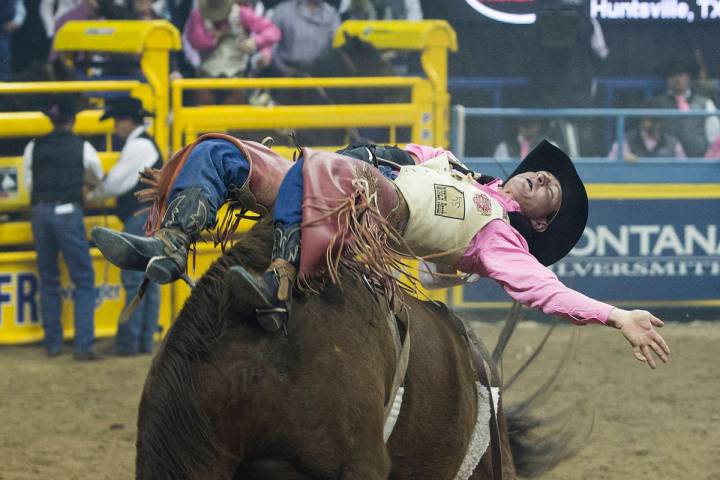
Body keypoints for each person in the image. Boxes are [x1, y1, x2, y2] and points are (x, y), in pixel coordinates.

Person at [91, 136, 670, 370]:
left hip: (373, 211)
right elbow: (396, 152)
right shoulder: (453, 164)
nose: (539, 180)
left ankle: (280, 279)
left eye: (549, 191)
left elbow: (545, 290)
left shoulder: (502, 239)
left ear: (541, 222)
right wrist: (367, 153)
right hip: (332, 179)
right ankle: (170, 243)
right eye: (541, 174)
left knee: (325, 169)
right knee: (221, 151)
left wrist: (616, 315)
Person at [22, 97, 103, 361]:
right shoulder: (82, 146)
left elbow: (29, 182)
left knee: (48, 278)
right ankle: (82, 346)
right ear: (73, 120)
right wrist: (86, 190)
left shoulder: (34, 146)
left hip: (40, 211)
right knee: (83, 279)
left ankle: (52, 343)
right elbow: (96, 174)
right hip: (68, 211)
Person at [86, 97, 163, 356]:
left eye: (118, 121)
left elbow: (115, 184)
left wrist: (93, 194)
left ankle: (128, 343)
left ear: (127, 121)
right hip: (151, 216)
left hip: (139, 217)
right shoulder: (144, 144)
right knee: (148, 279)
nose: (115, 127)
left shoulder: (139, 146)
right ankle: (142, 341)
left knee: (133, 278)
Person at [185, 0, 280, 82]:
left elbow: (273, 31)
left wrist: (254, 41)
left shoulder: (242, 13)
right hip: (206, 76)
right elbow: (194, 41)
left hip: (237, 76)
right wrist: (214, 39)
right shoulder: (198, 15)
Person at [653, 57, 720, 158]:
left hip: (701, 164)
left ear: (688, 77)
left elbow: (715, 136)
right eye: (672, 75)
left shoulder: (705, 103)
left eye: (680, 75)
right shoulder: (657, 104)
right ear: (667, 79)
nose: (676, 79)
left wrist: (709, 158)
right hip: (667, 164)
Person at [265, 0, 340, 76]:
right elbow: (269, 45)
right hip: (286, 75)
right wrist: (282, 69)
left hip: (322, 75)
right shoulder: (283, 10)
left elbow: (338, 47)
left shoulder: (331, 13)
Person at [607, 98, 687, 162]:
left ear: (661, 122)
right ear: (642, 119)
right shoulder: (626, 141)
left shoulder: (673, 144)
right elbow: (609, 166)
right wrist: (623, 160)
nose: (653, 124)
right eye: (649, 119)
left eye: (656, 120)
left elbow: (684, 170)